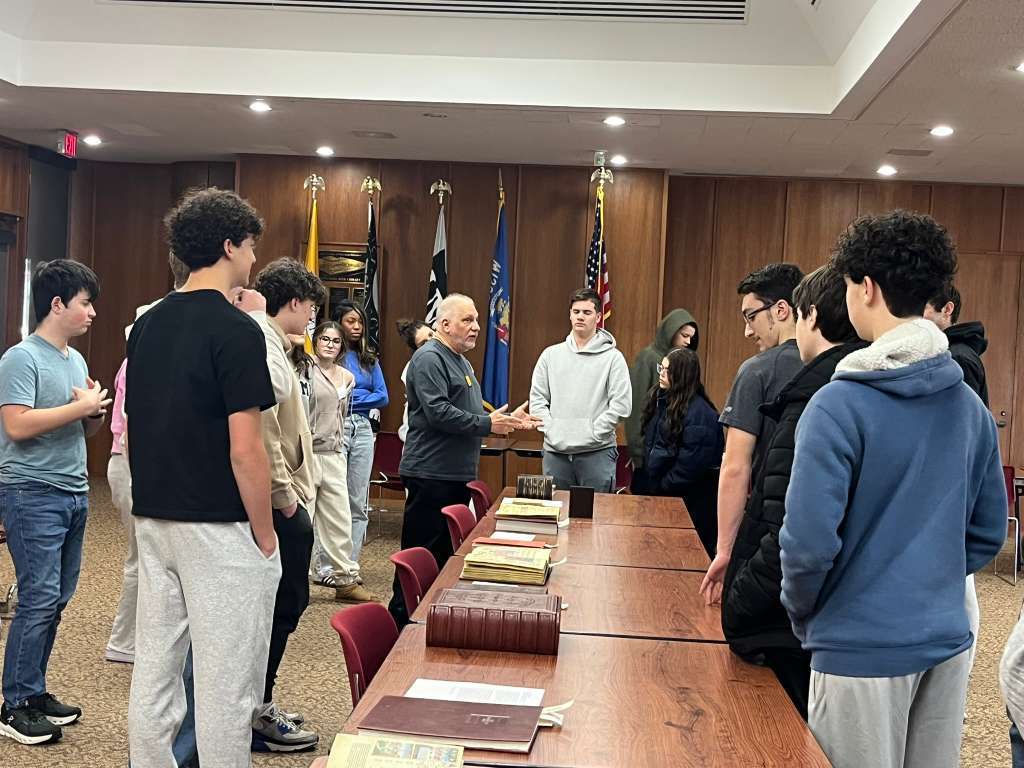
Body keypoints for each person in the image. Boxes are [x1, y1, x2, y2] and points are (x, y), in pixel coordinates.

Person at [780, 211, 1006, 768]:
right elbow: (985, 533)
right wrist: (927, 579)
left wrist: (806, 612)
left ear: (867, 288)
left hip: (857, 645)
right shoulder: (969, 407)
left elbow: (807, 545)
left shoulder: (836, 405)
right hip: (946, 639)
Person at [126, 188, 281, 768]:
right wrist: (265, 535)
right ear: (228, 245)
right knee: (226, 682)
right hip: (218, 526)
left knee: (156, 670)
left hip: (154, 516)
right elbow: (247, 450)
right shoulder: (237, 331)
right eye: (249, 246)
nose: (252, 258)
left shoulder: (146, 324)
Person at [720, 265, 864, 720]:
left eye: (751, 316)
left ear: (804, 315)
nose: (747, 331)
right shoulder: (862, 386)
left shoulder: (812, 396)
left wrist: (738, 593)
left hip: (787, 616)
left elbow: (788, 527)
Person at [0, 259, 108, 746]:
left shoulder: (75, 360)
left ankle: (34, 690)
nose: (91, 314)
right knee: (38, 598)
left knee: (56, 600)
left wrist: (93, 414)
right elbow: (17, 425)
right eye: (85, 304)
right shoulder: (20, 358)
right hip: (31, 493)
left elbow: (81, 424)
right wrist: (78, 408)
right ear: (58, 304)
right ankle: (15, 703)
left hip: (73, 491)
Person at [388, 294, 532, 627]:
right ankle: (399, 627)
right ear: (444, 324)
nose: (477, 327)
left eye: (477, 320)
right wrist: (486, 424)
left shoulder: (461, 361)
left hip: (453, 475)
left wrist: (501, 420)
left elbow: (466, 412)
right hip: (430, 474)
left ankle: (427, 625)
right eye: (467, 320)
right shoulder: (429, 358)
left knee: (440, 562)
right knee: (418, 559)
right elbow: (438, 413)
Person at [699, 263, 803, 605]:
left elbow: (735, 466)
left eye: (750, 317)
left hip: (766, 531)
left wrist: (724, 550)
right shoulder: (837, 366)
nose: (747, 331)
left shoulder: (757, 371)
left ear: (781, 310)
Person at [105, 253, 191, 666]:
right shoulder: (138, 356)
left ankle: (133, 642)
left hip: (137, 462)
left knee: (145, 557)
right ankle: (125, 644)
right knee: (142, 558)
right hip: (130, 461)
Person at [295, 319, 374, 603]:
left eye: (335, 341)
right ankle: (295, 580)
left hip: (334, 453)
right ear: (316, 341)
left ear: (342, 347)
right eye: (325, 339)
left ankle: (344, 579)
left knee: (340, 517)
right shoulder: (303, 368)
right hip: (307, 455)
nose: (330, 344)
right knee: (304, 520)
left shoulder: (347, 377)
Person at [529, 288, 631, 492]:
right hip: (555, 454)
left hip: (597, 453)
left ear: (598, 316)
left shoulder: (613, 358)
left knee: (598, 519)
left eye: (587, 312)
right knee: (556, 518)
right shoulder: (550, 355)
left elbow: (621, 406)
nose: (580, 317)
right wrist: (552, 430)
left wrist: (593, 432)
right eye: (576, 312)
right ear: (569, 314)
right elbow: (537, 400)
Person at [636, 347, 722, 555]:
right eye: (661, 368)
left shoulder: (701, 415)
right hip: (663, 497)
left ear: (682, 375)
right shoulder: (662, 400)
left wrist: (661, 486)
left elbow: (690, 466)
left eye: (667, 370)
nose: (661, 374)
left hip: (689, 504)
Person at [333, 300, 388, 564]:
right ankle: (329, 562)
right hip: (336, 427)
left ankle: (350, 563)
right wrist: (361, 394)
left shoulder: (369, 358)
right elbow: (330, 396)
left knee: (357, 499)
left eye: (360, 322)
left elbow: (383, 396)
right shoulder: (330, 354)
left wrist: (350, 397)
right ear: (338, 323)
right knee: (334, 497)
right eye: (350, 321)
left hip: (364, 428)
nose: (356, 327)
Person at [625, 308, 699, 488]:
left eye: (691, 337)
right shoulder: (649, 358)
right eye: (684, 335)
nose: (688, 341)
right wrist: (637, 452)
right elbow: (636, 409)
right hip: (647, 454)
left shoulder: (684, 363)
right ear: (671, 332)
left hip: (670, 455)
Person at [924, 283, 989, 406]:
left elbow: (966, 419)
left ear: (947, 309)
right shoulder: (949, 353)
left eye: (922, 308)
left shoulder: (958, 357)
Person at [396, 318, 434, 443]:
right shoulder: (413, 368)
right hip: (420, 442)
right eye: (423, 343)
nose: (431, 341)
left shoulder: (453, 359)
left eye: (431, 334)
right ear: (416, 350)